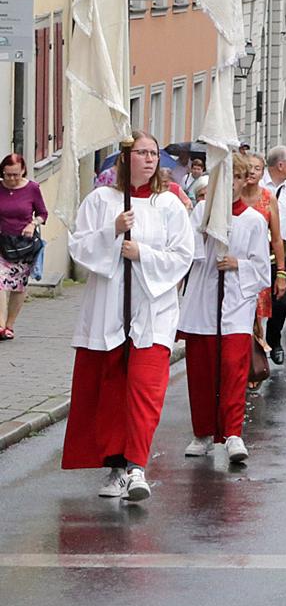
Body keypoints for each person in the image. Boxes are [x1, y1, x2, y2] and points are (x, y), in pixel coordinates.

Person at [62, 132, 195, 504]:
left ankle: (137, 466)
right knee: (111, 391)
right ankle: (116, 467)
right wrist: (112, 232)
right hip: (108, 312)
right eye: (142, 153)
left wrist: (143, 254)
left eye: (154, 153)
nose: (150, 159)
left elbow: (183, 256)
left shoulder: (168, 205)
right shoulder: (102, 201)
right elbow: (80, 248)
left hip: (152, 313)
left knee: (144, 389)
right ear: (126, 158)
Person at [179, 154, 269, 465]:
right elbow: (186, 253)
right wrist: (203, 235)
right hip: (203, 302)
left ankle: (232, 433)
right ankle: (202, 433)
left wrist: (237, 264)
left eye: (234, 179)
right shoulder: (202, 212)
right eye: (221, 179)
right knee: (201, 371)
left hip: (235, 307)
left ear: (244, 181)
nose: (227, 185)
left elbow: (262, 272)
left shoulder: (254, 220)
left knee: (233, 369)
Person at [241, 154, 286, 366]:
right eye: (248, 167)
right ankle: (246, 360)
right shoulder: (234, 196)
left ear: (262, 173)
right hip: (236, 264)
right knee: (244, 316)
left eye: (257, 168)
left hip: (261, 265)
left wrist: (281, 273)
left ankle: (257, 358)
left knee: (259, 314)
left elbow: (277, 239)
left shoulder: (269, 198)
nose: (251, 172)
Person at [0, 153, 47, 339]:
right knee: (0, 281)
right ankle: (1, 326)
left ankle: (10, 325)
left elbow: (43, 213)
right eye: (7, 175)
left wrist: (32, 224)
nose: (11, 179)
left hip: (23, 245)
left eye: (15, 175)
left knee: (18, 285)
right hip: (2, 242)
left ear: (23, 171)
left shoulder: (32, 188)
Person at [262, 147, 286, 363]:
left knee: (282, 302)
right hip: (259, 251)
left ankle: (274, 339)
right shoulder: (258, 185)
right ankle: (256, 348)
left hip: (281, 253)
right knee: (257, 304)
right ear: (280, 165)